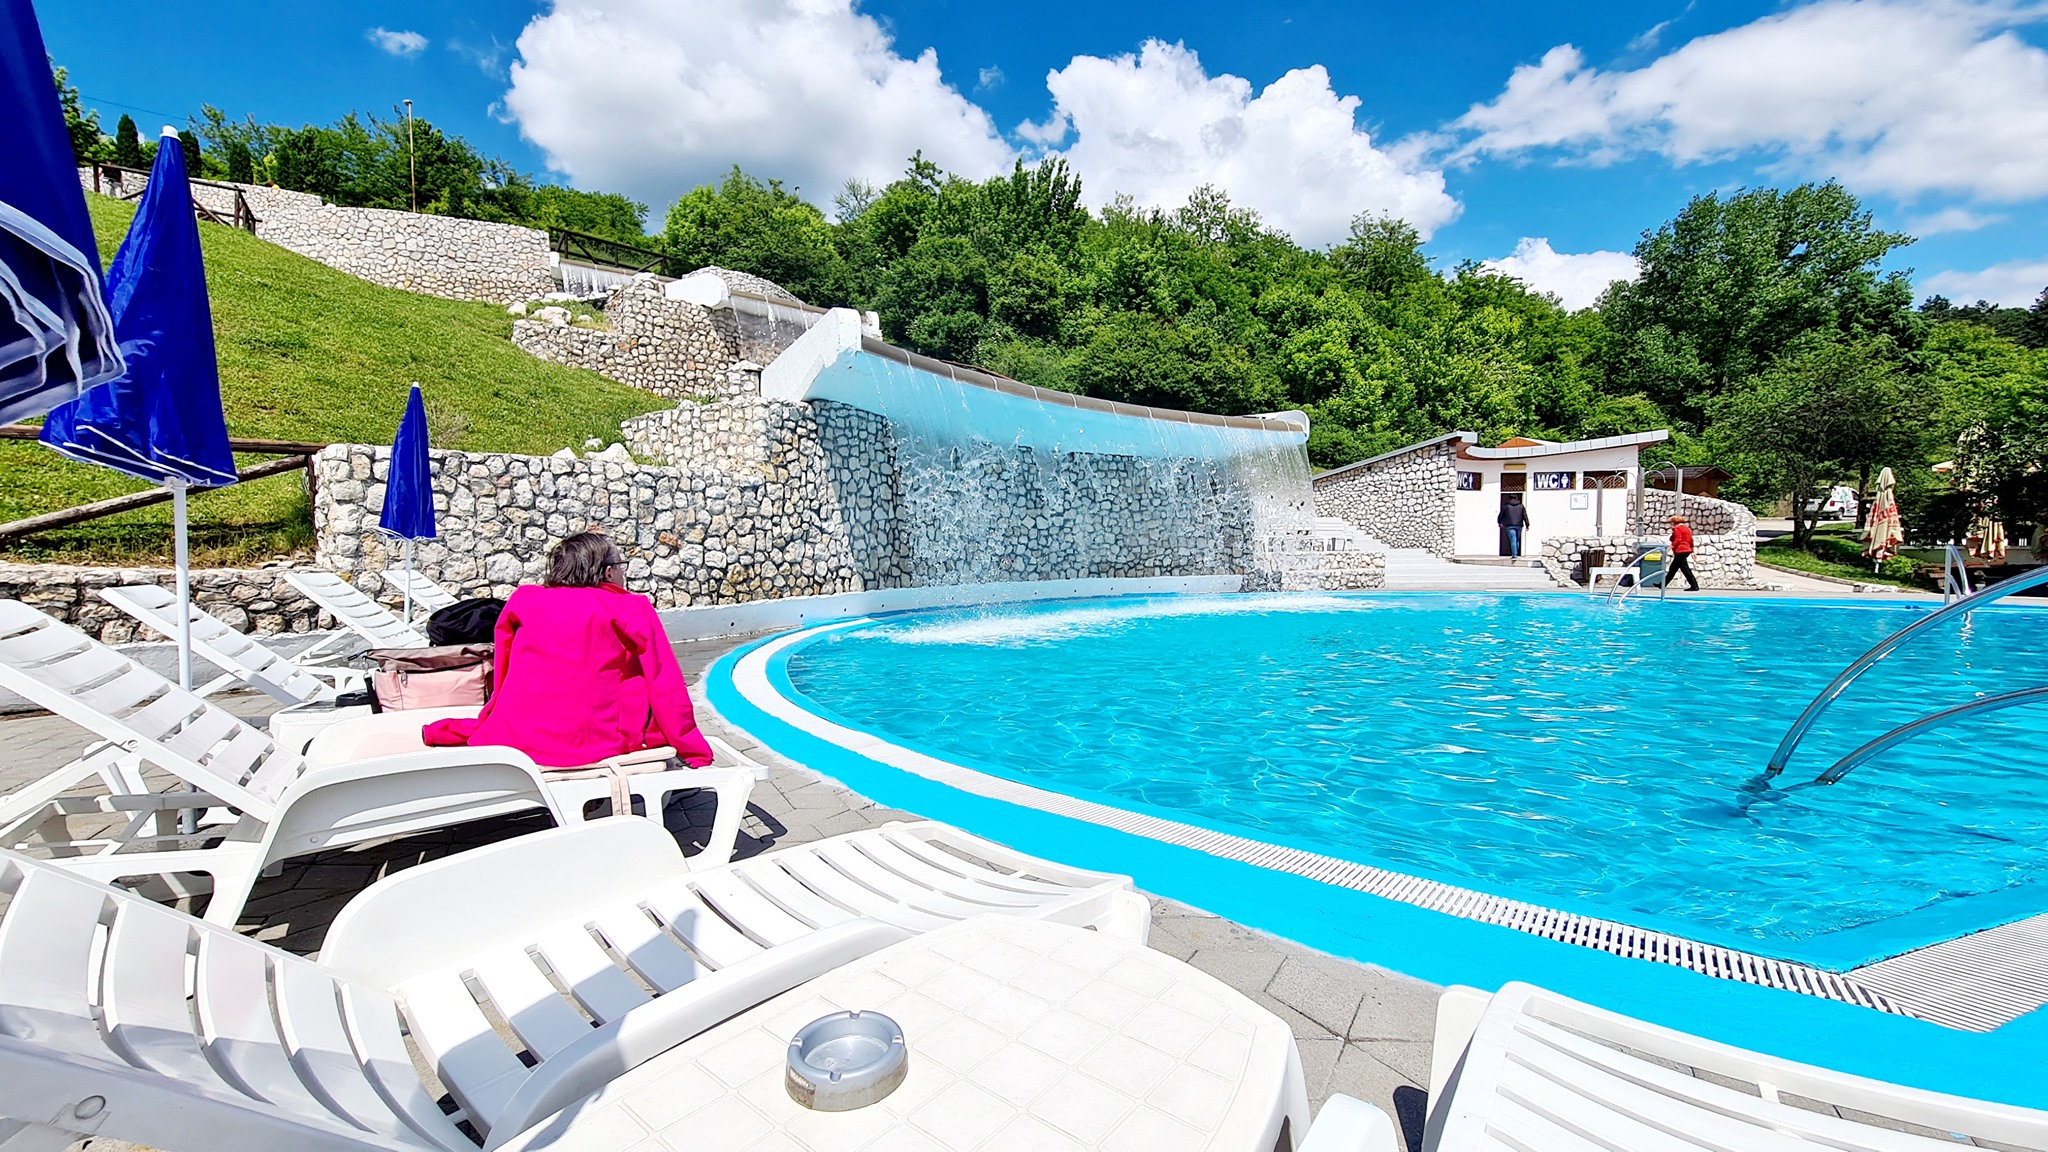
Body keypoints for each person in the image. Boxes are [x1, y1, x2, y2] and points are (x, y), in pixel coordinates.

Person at [424, 532, 716, 768]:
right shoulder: (628, 607)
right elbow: (664, 682)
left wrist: (493, 715)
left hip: (513, 734)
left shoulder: (525, 600)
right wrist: (693, 751)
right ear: (608, 571)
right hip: (592, 743)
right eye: (621, 565)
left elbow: (504, 669)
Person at [1668, 513, 1701, 591]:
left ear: (1674, 522)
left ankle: (1694, 586)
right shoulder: (1687, 529)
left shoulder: (1677, 528)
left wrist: (1671, 546)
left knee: (1685, 569)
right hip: (1686, 550)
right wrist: (1692, 551)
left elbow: (1677, 539)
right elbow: (1691, 540)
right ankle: (1662, 584)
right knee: (1673, 568)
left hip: (1680, 550)